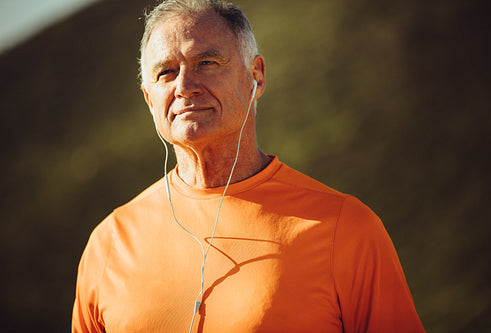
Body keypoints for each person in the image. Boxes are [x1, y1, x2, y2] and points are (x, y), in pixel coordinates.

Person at [72, 0, 426, 332]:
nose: (184, 86)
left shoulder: (345, 228)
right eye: (166, 72)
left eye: (206, 63)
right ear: (149, 99)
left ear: (255, 75)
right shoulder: (108, 244)